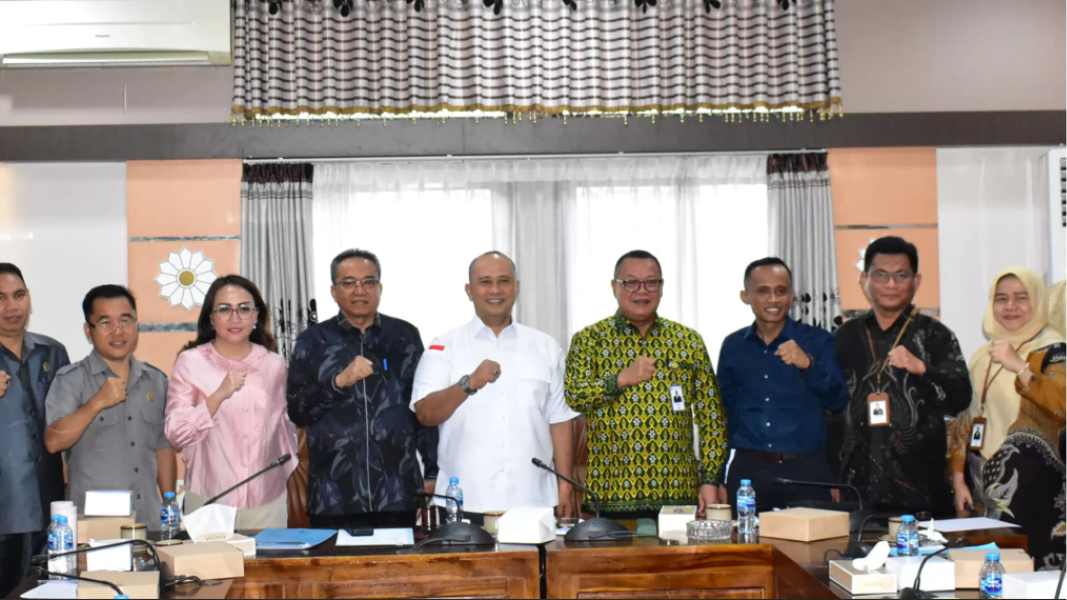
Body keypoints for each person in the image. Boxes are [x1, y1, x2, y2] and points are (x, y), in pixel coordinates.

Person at [412, 252, 579, 520]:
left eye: (503, 281)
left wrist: (565, 487)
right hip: (462, 502)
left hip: (534, 501)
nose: (495, 290)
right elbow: (425, 414)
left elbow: (559, 420)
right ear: (469, 290)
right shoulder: (443, 346)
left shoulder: (546, 347)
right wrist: (468, 383)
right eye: (485, 282)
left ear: (517, 287)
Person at [564, 250, 728, 520]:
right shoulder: (589, 340)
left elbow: (712, 416)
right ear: (614, 286)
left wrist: (709, 478)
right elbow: (574, 395)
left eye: (651, 282)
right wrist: (618, 380)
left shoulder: (688, 341)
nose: (642, 290)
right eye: (631, 282)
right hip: (608, 496)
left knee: (678, 564)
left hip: (678, 496)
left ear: (661, 287)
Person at [287, 249, 438, 530]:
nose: (360, 290)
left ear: (380, 288)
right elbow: (298, 411)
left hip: (397, 492)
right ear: (334, 290)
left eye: (369, 282)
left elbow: (423, 408)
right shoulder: (313, 341)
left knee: (398, 573)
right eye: (349, 282)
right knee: (334, 574)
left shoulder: (404, 336)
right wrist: (338, 381)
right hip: (333, 495)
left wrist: (432, 470)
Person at [834, 237, 971, 515]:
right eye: (881, 275)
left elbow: (959, 398)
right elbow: (829, 410)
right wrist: (830, 473)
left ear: (916, 281)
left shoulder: (936, 335)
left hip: (921, 487)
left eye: (901, 275)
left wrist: (923, 370)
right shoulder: (844, 336)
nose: (891, 284)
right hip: (855, 485)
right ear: (864, 279)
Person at [948, 268, 1064, 569]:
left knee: (1033, 573)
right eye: (1001, 298)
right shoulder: (983, 355)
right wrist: (959, 479)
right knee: (990, 573)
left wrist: (1020, 365)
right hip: (983, 485)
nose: (1010, 306)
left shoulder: (1053, 350)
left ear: (1037, 302)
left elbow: (1062, 404)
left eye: (1021, 297)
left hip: (1037, 490)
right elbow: (967, 417)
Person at [164, 276, 298, 529]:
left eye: (244, 309)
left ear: (257, 316)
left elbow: (285, 427)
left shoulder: (275, 365)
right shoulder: (190, 362)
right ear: (211, 317)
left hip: (267, 500)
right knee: (210, 569)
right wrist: (217, 395)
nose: (235, 319)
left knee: (268, 569)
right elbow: (175, 435)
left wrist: (280, 470)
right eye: (224, 309)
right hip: (211, 499)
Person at [717, 258, 849, 513]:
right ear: (746, 296)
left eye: (781, 290)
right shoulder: (733, 346)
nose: (774, 299)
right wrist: (717, 477)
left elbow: (838, 401)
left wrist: (808, 365)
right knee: (747, 550)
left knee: (812, 550)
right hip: (749, 472)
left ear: (792, 295)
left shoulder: (818, 341)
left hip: (807, 470)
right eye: (763, 291)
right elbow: (723, 415)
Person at [44, 285, 176, 528]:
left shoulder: (156, 380)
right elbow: (54, 441)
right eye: (105, 323)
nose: (118, 330)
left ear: (136, 323)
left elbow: (163, 446)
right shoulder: (70, 380)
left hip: (149, 519)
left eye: (125, 320)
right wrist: (97, 403)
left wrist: (170, 507)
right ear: (88, 330)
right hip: (95, 525)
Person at [0, 264, 68, 598]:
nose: (11, 307)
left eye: (18, 295)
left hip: (49, 509)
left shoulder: (53, 352)